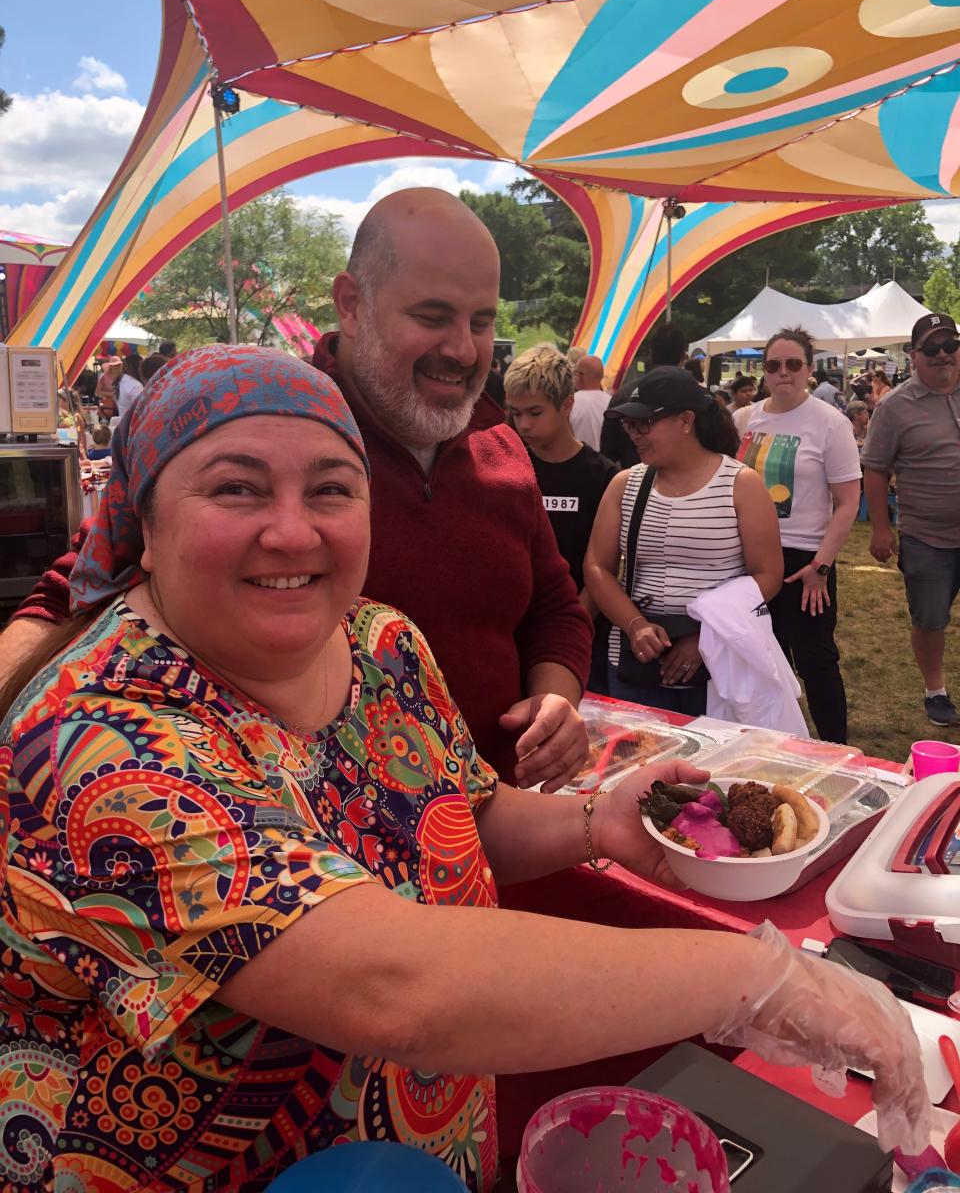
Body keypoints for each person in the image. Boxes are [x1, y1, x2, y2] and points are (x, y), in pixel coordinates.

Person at [0, 346, 931, 1192]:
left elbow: (459, 817)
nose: (293, 532)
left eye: (331, 488)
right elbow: (395, 987)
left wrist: (589, 821)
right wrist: (770, 982)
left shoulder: (379, 640)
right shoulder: (93, 741)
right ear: (142, 519)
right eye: (237, 490)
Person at [0, 191, 592, 792]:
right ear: (352, 305)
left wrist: (555, 701)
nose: (463, 350)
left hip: (498, 819)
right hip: (291, 834)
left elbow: (553, 603)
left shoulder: (504, 445)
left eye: (481, 321)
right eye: (433, 317)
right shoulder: (272, 425)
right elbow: (75, 588)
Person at [585, 367, 783, 716]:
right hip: (636, 667)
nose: (634, 435)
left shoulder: (741, 485)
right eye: (628, 425)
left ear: (686, 420)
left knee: (714, 769)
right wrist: (636, 626)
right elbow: (597, 566)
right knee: (640, 764)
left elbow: (766, 574)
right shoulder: (624, 484)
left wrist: (705, 639)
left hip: (720, 669)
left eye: (643, 424)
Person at [735, 327, 862, 743]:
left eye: (794, 364)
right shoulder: (743, 419)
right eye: (774, 365)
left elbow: (847, 503)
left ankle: (835, 750)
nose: (784, 373)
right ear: (764, 371)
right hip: (748, 560)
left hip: (806, 560)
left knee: (816, 662)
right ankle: (772, 745)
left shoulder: (831, 423)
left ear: (809, 369)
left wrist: (820, 566)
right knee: (762, 662)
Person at [861, 312, 960, 727]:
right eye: (932, 349)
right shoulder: (895, 406)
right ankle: (934, 690)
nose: (943, 356)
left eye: (950, 346)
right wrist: (881, 528)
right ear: (914, 356)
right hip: (927, 537)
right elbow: (875, 468)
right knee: (930, 618)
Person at [504, 345, 618, 692]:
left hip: (582, 633)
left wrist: (573, 626)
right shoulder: (505, 468)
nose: (523, 424)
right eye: (515, 413)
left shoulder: (604, 476)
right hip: (514, 631)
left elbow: (604, 566)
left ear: (567, 405)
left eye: (535, 412)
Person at [600, 322, 689, 467]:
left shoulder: (623, 395)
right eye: (631, 425)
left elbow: (608, 452)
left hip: (633, 482)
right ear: (682, 357)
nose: (637, 434)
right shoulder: (698, 398)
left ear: (651, 352)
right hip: (689, 483)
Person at [569, 353, 611, 451]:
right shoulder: (612, 402)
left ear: (580, 375)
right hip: (605, 463)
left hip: (575, 462)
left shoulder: (570, 403)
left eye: (575, 373)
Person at [117, 353, 144, 418]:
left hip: (123, 421)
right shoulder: (136, 385)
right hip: (131, 424)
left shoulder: (123, 380)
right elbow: (140, 409)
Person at [94, 355, 121, 420]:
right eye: (115, 365)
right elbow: (97, 393)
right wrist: (111, 394)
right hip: (107, 407)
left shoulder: (122, 376)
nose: (116, 367)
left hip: (119, 406)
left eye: (118, 365)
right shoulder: (104, 376)